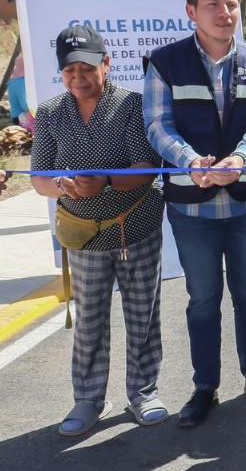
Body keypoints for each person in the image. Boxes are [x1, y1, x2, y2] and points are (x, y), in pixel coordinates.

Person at [144, 0, 246, 427]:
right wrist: (191, 162)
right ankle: (205, 387)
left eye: (231, 4)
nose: (225, 13)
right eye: (214, 4)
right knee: (203, 299)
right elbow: (157, 125)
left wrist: (238, 161)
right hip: (191, 206)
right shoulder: (164, 62)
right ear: (191, 11)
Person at [33, 25, 166, 436]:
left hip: (135, 230)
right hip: (84, 238)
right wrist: (60, 186)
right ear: (61, 73)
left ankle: (143, 392)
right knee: (89, 320)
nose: (78, 76)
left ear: (106, 64)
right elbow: (39, 177)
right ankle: (89, 399)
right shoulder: (51, 112)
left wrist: (105, 182)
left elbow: (148, 169)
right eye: (70, 69)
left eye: (87, 67)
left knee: (142, 316)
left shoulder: (131, 105)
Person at [8, 53, 28, 125]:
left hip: (16, 116)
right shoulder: (20, 83)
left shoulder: (14, 81)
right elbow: (25, 105)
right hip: (20, 117)